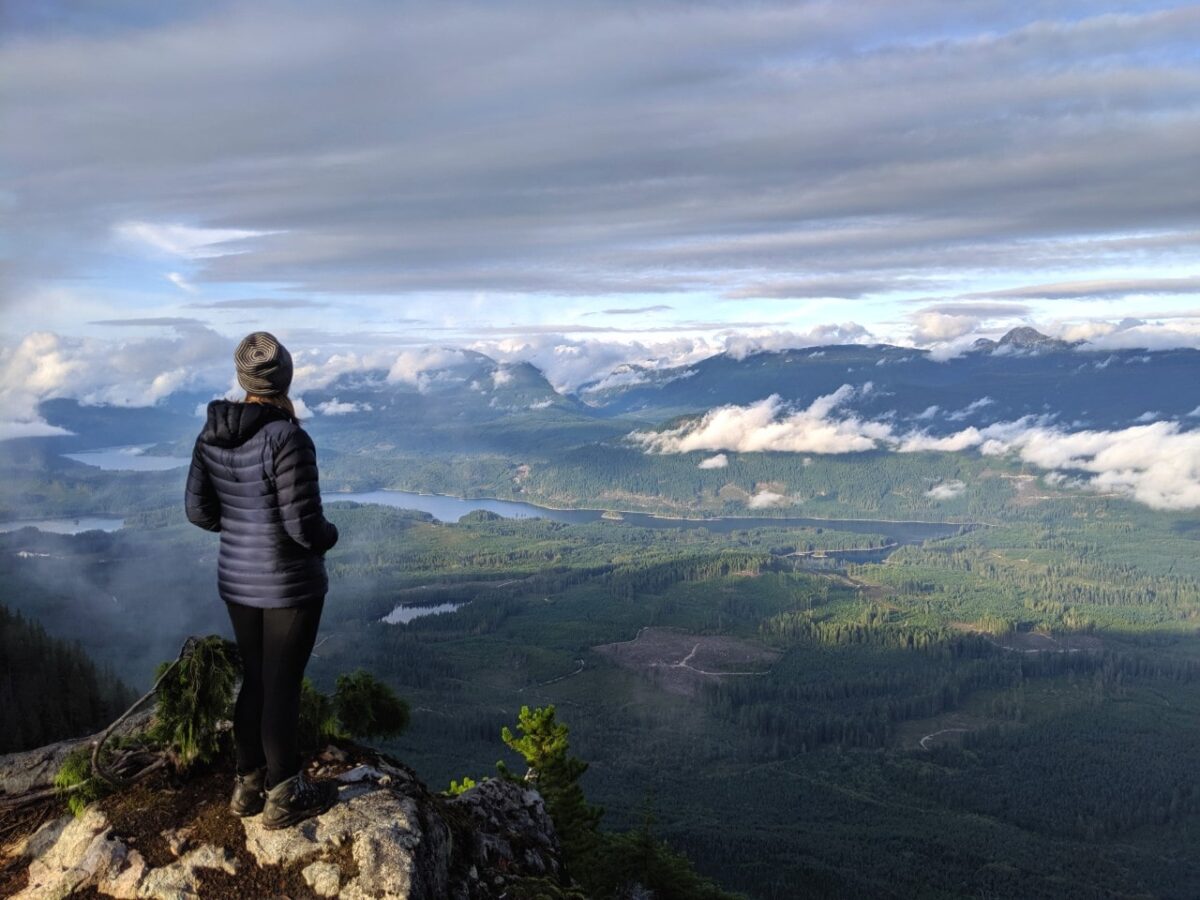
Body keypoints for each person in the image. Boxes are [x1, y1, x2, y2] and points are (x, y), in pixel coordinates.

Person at [185, 331, 340, 829]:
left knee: (255, 677)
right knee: (282, 686)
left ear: (243, 381)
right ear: (286, 378)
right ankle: (283, 794)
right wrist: (330, 535)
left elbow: (198, 511)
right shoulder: (289, 437)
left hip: (236, 581)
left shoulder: (211, 434)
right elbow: (304, 527)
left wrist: (241, 532)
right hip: (290, 587)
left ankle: (246, 785)